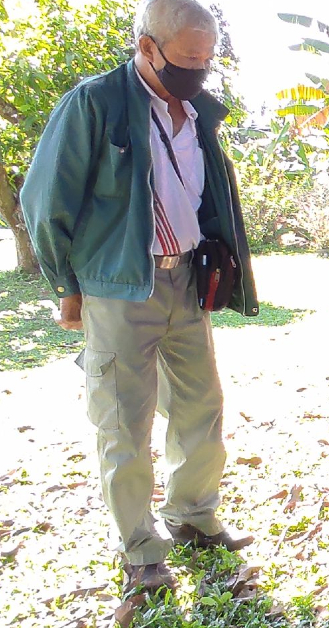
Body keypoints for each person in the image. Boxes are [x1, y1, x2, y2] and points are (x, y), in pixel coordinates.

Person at [19, 0, 259, 594]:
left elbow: (206, 198)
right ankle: (141, 550)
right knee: (124, 421)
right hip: (121, 287)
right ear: (147, 47)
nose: (198, 71)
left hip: (186, 283)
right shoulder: (94, 104)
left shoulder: (199, 111)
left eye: (207, 61)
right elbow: (44, 202)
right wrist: (67, 285)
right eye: (187, 60)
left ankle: (194, 517)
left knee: (201, 407)